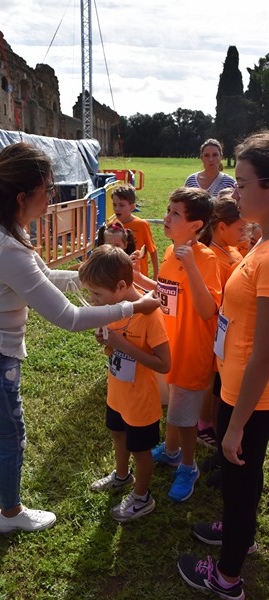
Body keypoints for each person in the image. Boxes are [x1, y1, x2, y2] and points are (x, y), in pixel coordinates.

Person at [0, 142, 160, 534]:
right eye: (48, 191)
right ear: (24, 196)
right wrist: (131, 307)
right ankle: (10, 515)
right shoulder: (7, 247)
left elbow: (45, 278)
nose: (52, 197)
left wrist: (95, 278)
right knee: (10, 434)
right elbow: (69, 317)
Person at [178, 131, 269, 600]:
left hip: (249, 398)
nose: (234, 193)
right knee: (241, 483)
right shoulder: (261, 241)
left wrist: (234, 426)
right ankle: (241, 534)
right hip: (239, 391)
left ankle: (227, 576)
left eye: (244, 182)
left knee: (239, 484)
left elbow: (266, 351)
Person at [132, 187, 222, 502]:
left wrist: (193, 266)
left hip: (192, 349)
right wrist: (137, 277)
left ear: (196, 225)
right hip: (170, 345)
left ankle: (188, 465)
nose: (166, 218)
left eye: (175, 214)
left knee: (184, 418)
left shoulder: (205, 257)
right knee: (174, 407)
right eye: (168, 210)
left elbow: (207, 308)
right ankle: (171, 452)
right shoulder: (171, 252)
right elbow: (166, 291)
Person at [78, 245, 170, 521]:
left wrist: (122, 345)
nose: (93, 301)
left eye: (97, 294)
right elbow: (114, 350)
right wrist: (107, 344)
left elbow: (164, 364)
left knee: (141, 450)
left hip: (141, 400)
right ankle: (121, 475)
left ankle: (142, 498)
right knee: (117, 434)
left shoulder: (150, 315)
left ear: (120, 286)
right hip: (117, 391)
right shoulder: (112, 310)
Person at [197, 191, 247, 456]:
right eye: (241, 227)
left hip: (230, 330)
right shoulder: (212, 257)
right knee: (211, 379)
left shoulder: (232, 251)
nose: (245, 231)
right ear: (222, 227)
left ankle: (214, 422)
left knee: (219, 381)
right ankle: (203, 423)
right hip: (216, 330)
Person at [111, 184, 159, 279]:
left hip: (139, 276)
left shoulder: (142, 225)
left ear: (132, 207)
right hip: (118, 275)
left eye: (121, 205)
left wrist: (156, 273)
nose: (117, 208)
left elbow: (152, 250)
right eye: (114, 205)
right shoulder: (113, 225)